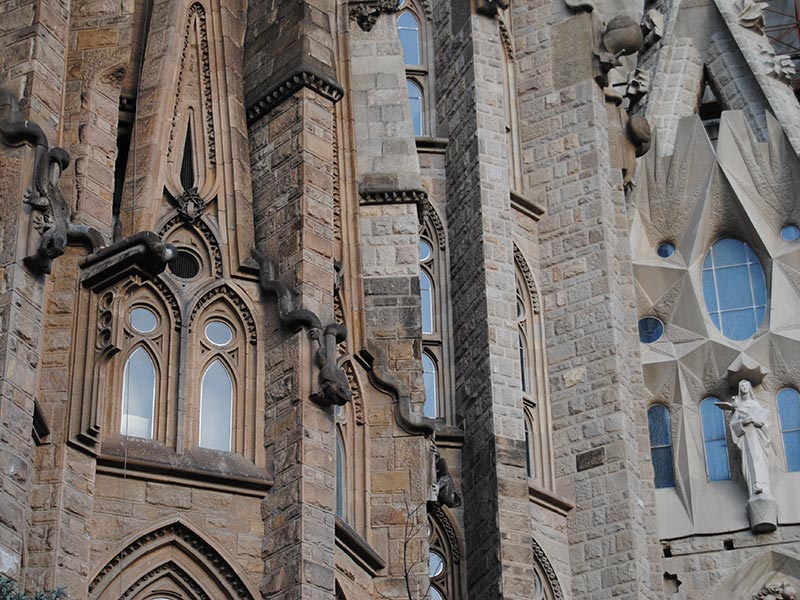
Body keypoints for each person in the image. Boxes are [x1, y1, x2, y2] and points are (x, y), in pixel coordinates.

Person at [716, 379, 771, 498]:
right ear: (740, 389)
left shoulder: (755, 404)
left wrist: (758, 422)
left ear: (750, 388)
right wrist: (744, 421)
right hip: (746, 438)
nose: (744, 387)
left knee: (758, 459)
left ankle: (763, 484)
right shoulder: (738, 407)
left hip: (757, 436)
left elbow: (765, 423)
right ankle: (755, 485)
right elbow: (733, 425)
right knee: (749, 460)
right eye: (742, 386)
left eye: (746, 385)